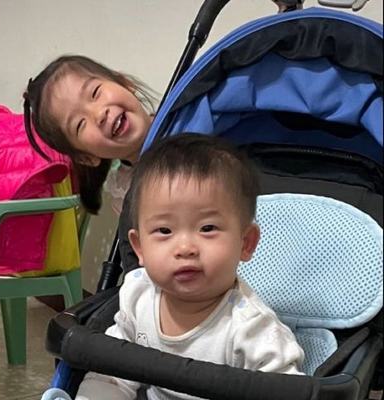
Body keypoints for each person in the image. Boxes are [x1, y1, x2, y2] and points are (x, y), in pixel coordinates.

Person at [67, 133, 305, 399]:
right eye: (164, 230)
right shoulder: (138, 296)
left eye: (207, 228)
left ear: (246, 243)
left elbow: (286, 390)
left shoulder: (253, 330)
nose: (185, 248)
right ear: (140, 248)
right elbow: (112, 374)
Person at [23, 54, 157, 215]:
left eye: (95, 92)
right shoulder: (128, 197)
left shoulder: (185, 112)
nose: (99, 114)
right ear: (87, 158)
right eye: (80, 124)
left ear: (125, 82)